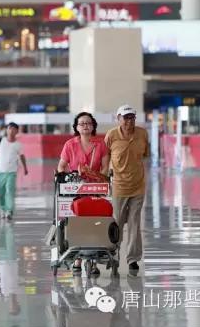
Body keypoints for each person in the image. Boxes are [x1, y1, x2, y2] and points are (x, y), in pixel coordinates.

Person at [57, 112, 110, 276]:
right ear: (76, 127)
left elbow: (105, 168)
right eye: (82, 123)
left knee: (95, 222)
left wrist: (96, 177)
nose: (85, 126)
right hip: (75, 190)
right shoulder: (69, 145)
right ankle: (78, 258)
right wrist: (69, 178)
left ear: (93, 126)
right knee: (76, 221)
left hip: (96, 189)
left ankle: (93, 260)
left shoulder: (100, 145)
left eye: (88, 123)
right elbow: (61, 166)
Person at [105, 105, 149, 275]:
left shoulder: (142, 134)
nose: (129, 121)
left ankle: (133, 259)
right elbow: (105, 155)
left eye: (132, 117)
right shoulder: (111, 135)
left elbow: (145, 154)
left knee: (134, 223)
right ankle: (114, 254)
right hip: (118, 186)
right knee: (117, 222)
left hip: (138, 186)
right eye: (126, 118)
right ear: (118, 118)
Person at [0, 122, 28, 221]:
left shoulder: (18, 145)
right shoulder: (0, 141)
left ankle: (9, 211)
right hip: (0, 172)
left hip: (12, 172)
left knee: (10, 191)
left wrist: (25, 168)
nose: (11, 130)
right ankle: (3, 209)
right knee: (1, 193)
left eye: (13, 129)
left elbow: (22, 156)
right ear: (6, 130)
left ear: (17, 131)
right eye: (9, 128)